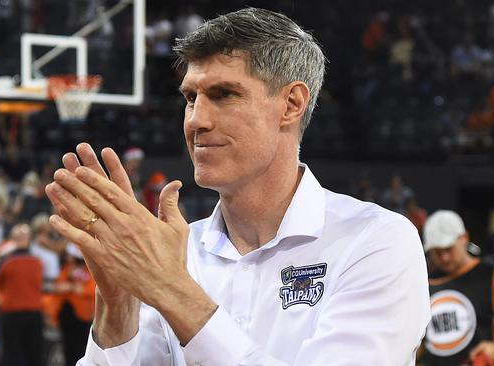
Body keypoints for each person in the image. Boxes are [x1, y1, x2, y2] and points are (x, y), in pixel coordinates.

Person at [46, 7, 430, 365]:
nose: (196, 120)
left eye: (223, 95)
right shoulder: (178, 253)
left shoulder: (376, 241)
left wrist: (175, 291)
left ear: (292, 104)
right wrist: (117, 303)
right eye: (190, 98)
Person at [422, 210, 494, 365]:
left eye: (448, 248)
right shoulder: (426, 284)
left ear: (464, 238)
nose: (444, 257)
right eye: (437, 252)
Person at [0, 223, 44, 366]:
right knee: (35, 355)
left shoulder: (6, 262)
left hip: (11, 313)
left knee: (12, 355)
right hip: (33, 312)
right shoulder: (37, 262)